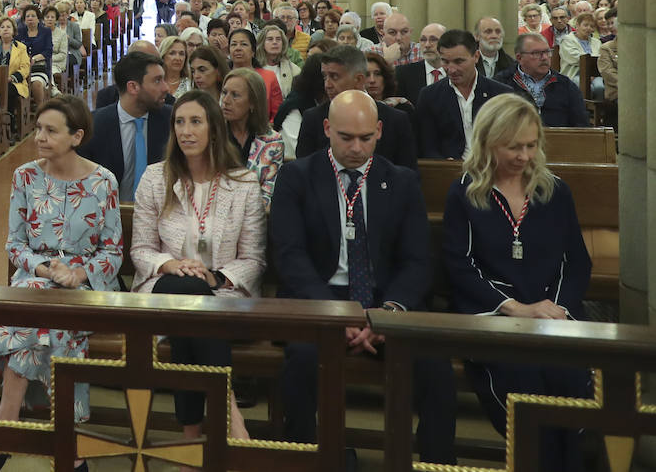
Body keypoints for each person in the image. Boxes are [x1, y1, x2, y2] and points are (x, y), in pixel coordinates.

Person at [272, 90, 457, 467]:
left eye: (366, 138)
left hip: (386, 300)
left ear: (379, 132)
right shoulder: (296, 177)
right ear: (326, 129)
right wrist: (335, 314)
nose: (357, 148)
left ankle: (436, 462)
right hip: (319, 301)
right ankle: (307, 460)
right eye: (346, 137)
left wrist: (387, 313)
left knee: (435, 367)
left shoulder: (401, 182)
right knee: (303, 361)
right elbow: (289, 257)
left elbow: (418, 260)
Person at [441, 95, 592, 471]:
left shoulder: (555, 191)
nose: (524, 156)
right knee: (522, 385)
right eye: (513, 147)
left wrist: (557, 310)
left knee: (572, 379)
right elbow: (459, 267)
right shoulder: (465, 193)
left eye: (531, 145)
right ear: (489, 142)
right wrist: (515, 309)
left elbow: (576, 263)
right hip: (495, 320)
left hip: (554, 317)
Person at [0, 96, 121, 472]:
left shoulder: (103, 181)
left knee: (44, 308)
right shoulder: (25, 176)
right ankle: (71, 445)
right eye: (38, 128)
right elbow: (15, 243)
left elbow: (113, 250)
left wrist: (78, 274)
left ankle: (3, 425)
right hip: (36, 278)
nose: (39, 136)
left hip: (87, 284)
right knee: (43, 308)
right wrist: (44, 270)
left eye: (50, 130)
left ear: (77, 136)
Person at [131, 90, 263, 452]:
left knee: (195, 306)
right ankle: (230, 415)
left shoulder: (243, 183)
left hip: (222, 294)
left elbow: (253, 259)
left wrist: (215, 277)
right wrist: (171, 264)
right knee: (185, 290)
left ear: (215, 130)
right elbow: (140, 251)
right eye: (179, 122)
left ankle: (190, 433)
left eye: (195, 122)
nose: (186, 131)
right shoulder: (155, 178)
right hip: (162, 287)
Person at [295, 44, 418, 169]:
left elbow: (407, 177)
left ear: (359, 80)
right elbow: (304, 173)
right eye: (325, 76)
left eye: (334, 76)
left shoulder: (395, 120)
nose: (327, 85)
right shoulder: (313, 118)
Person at [77, 52, 172, 203]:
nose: (166, 88)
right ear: (133, 87)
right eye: (157, 81)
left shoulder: (172, 121)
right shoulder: (93, 125)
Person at [416, 30, 512, 159]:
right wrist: (444, 165)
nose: (452, 69)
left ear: (476, 57)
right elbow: (427, 146)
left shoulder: (501, 94)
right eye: (445, 62)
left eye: (459, 61)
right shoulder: (429, 96)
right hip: (448, 172)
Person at [221, 68, 284, 212]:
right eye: (224, 93)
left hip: (256, 219)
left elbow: (267, 194)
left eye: (235, 95)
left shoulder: (273, 141)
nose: (225, 100)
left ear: (253, 103)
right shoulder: (211, 135)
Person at [497, 33, 588, 127]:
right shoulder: (503, 83)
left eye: (547, 52)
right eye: (536, 53)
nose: (544, 58)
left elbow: (582, 127)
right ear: (519, 58)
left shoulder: (566, 85)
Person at [227, 28, 282, 120]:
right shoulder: (221, 76)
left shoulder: (269, 77)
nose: (238, 48)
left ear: (253, 51)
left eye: (243, 44)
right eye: (234, 44)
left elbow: (277, 113)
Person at [0, 17, 32, 122]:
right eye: (2, 27)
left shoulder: (21, 47)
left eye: (8, 27)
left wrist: (11, 78)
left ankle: (8, 118)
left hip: (15, 83)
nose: (5, 29)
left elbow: (25, 67)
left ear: (13, 31)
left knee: (7, 89)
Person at [392, 23, 446, 106]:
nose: (427, 45)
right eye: (423, 40)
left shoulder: (455, 72)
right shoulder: (403, 74)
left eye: (433, 40)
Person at [16, 6, 53, 109]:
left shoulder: (45, 31)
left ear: (38, 18)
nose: (30, 18)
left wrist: (35, 59)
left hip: (39, 67)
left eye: (33, 16)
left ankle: (40, 109)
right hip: (23, 68)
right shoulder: (19, 32)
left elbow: (48, 51)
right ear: (24, 20)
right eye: (27, 16)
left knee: (36, 83)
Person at [557, 11, 599, 86]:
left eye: (591, 26)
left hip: (594, 74)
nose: (588, 28)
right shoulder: (567, 40)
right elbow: (576, 59)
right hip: (574, 74)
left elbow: (600, 59)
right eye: (585, 25)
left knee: (600, 87)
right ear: (577, 25)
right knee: (582, 85)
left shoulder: (597, 42)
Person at [257, 24, 299, 97]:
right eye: (270, 39)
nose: (275, 42)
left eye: (278, 39)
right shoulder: (254, 68)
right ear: (262, 43)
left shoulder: (294, 70)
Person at [598, 8, 618, 103]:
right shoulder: (606, 48)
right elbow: (608, 73)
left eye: (612, 23)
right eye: (608, 24)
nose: (610, 27)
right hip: (617, 92)